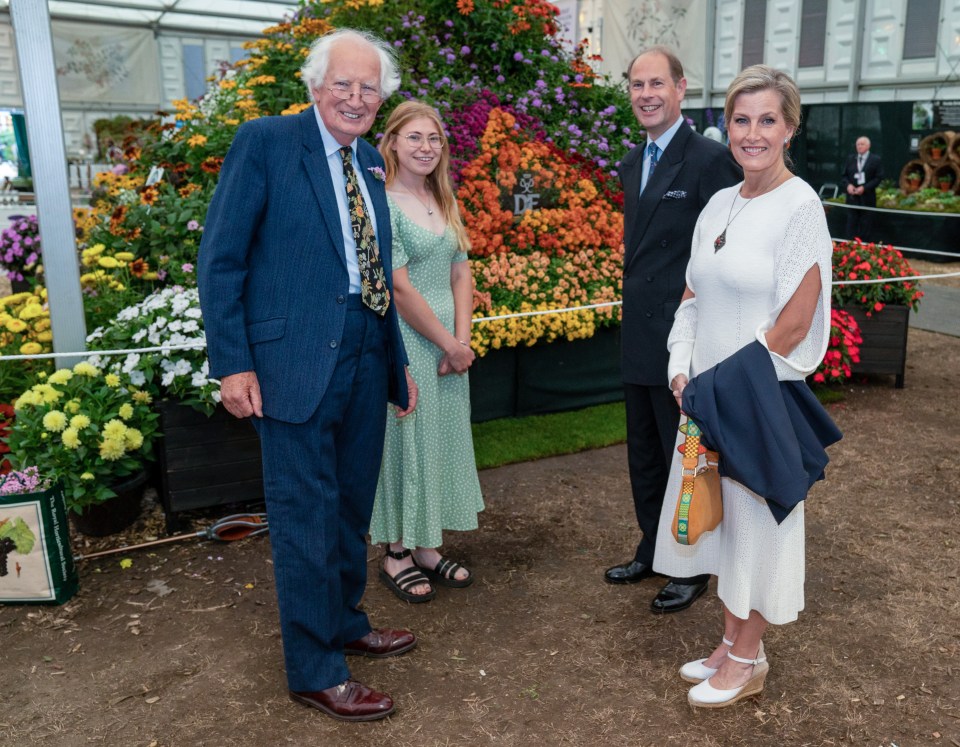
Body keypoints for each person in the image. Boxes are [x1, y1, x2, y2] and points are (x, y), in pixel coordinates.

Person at [197, 29, 419, 723]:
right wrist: (232, 361)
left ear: (382, 99)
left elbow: (375, 274)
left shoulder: (370, 167)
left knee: (351, 506)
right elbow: (221, 258)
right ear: (314, 86)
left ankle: (346, 620)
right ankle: (315, 667)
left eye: (369, 88)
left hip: (363, 350)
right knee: (304, 518)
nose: (356, 98)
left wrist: (398, 361)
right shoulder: (265, 143)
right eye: (344, 84)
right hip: (290, 362)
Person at [655, 65, 835, 708]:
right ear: (726, 126)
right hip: (702, 395)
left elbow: (793, 322)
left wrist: (718, 387)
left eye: (767, 120)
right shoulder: (718, 203)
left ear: (789, 128)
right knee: (724, 523)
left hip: (756, 396)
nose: (752, 133)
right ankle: (729, 641)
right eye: (741, 119)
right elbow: (692, 296)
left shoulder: (801, 206)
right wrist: (681, 366)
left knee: (757, 523)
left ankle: (749, 655)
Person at [607, 46, 741, 613]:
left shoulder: (710, 160)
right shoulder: (631, 163)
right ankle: (653, 548)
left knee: (684, 451)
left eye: (656, 83)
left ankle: (691, 564)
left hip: (685, 334)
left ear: (682, 88)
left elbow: (727, 251)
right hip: (639, 331)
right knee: (644, 450)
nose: (646, 95)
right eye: (637, 85)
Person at [369, 101, 484, 603]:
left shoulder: (444, 198)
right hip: (409, 338)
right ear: (392, 142)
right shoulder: (382, 203)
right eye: (414, 137)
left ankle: (426, 543)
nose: (425, 148)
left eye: (434, 139)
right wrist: (446, 343)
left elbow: (462, 271)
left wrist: (462, 342)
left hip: (448, 343)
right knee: (407, 441)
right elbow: (398, 288)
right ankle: (396, 551)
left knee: (440, 441)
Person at [840, 136, 883, 240]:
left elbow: (878, 178)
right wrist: (848, 185)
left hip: (867, 199)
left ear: (868, 146)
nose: (859, 146)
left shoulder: (876, 160)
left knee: (866, 225)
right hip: (852, 199)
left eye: (862, 144)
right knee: (851, 224)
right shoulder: (851, 158)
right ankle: (849, 248)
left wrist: (865, 188)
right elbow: (844, 176)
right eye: (858, 144)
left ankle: (864, 249)